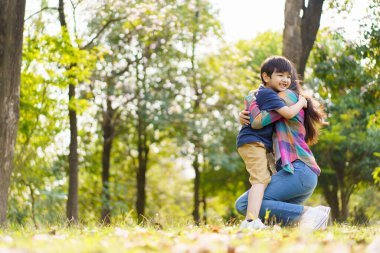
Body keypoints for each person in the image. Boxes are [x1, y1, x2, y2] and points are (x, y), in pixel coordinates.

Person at [235, 61, 331, 231]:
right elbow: (258, 119)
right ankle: (311, 218)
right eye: (280, 75)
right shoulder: (289, 99)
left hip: (299, 171)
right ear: (267, 76)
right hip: (299, 174)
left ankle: (311, 214)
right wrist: (243, 115)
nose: (285, 79)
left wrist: (250, 102)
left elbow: (258, 121)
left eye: (288, 76)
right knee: (254, 205)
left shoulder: (285, 97)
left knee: (245, 203)